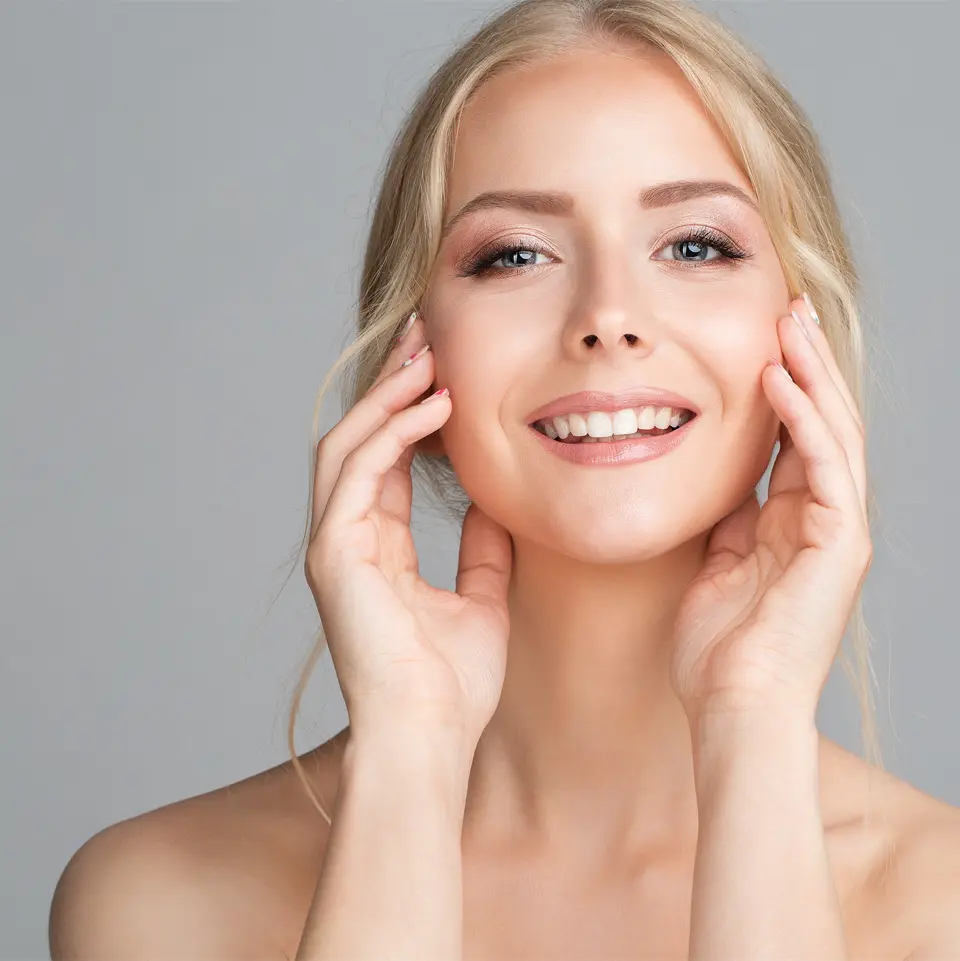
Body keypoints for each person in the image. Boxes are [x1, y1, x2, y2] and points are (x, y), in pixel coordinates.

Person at [49, 1, 960, 959]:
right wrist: (408, 756)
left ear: (800, 323)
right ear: (415, 353)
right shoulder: (158, 902)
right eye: (514, 254)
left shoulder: (940, 908)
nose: (609, 315)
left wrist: (754, 727)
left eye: (696, 245)